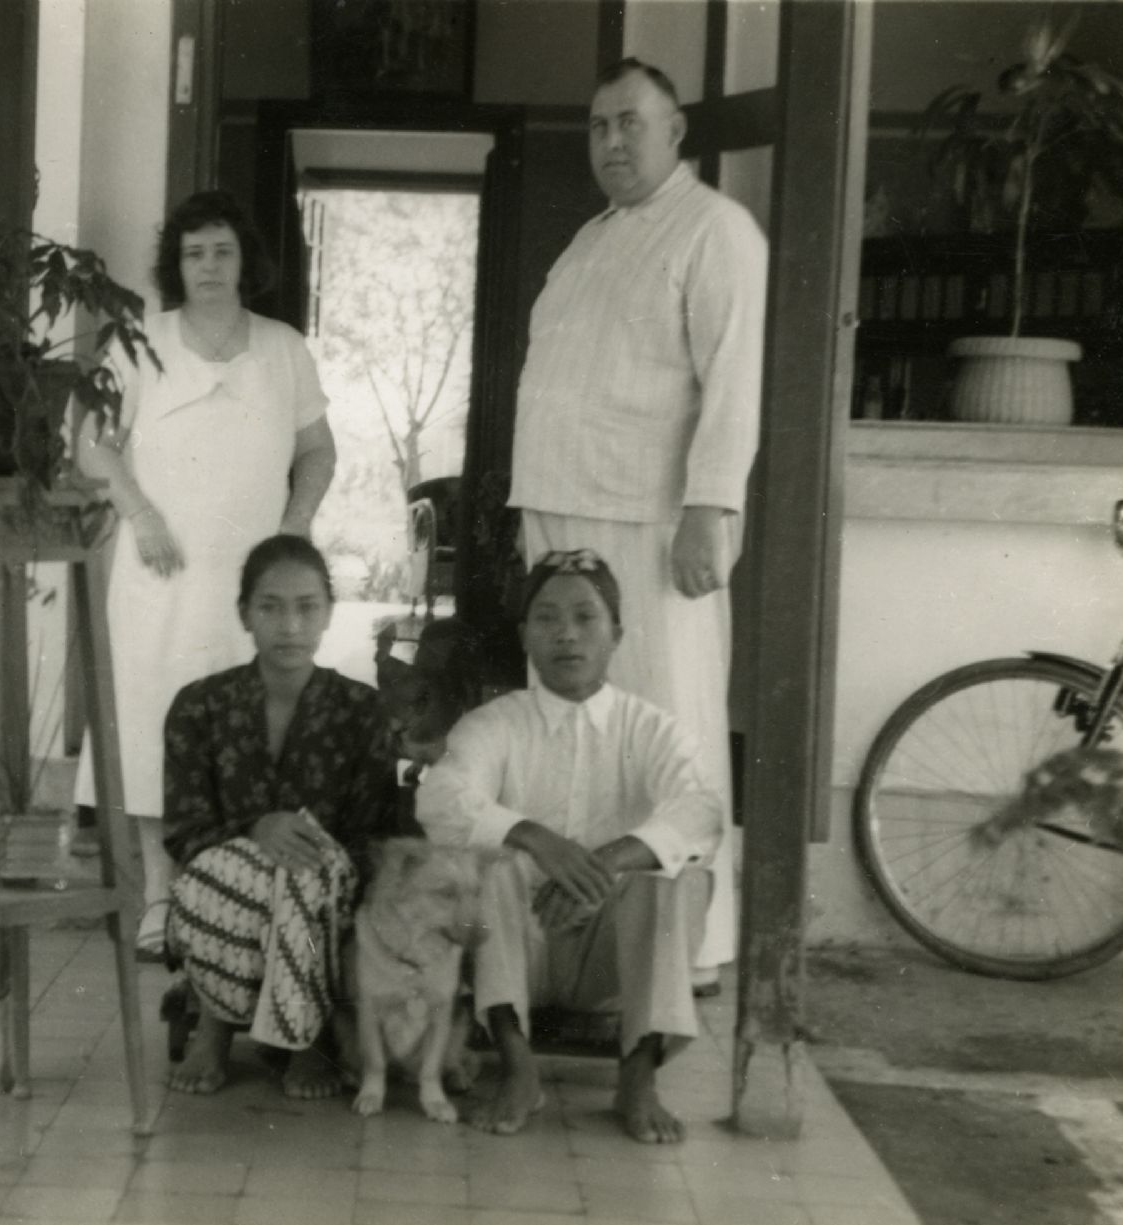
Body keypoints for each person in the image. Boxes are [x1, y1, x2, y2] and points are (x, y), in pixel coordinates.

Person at [507, 57, 767, 989]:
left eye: (631, 123)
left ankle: (692, 942)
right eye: (598, 126)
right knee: (573, 725)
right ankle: (588, 939)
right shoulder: (590, 238)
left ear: (676, 132)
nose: (612, 141)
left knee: (668, 714)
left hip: (654, 525)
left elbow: (734, 383)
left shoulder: (716, 230)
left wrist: (710, 507)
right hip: (561, 510)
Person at [74, 191, 339, 959]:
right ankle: (161, 898)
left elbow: (319, 450)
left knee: (250, 727)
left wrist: (293, 527)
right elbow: (94, 444)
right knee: (155, 719)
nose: (210, 266)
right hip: (161, 567)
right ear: (176, 265)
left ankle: (238, 894)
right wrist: (142, 515)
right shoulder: (138, 342)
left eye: (223, 251)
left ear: (245, 260)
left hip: (249, 578)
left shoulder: (283, 347)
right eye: (195, 254)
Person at [416, 550, 724, 1143]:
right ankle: (517, 1066)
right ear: (525, 636)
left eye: (586, 618)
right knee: (496, 867)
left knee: (677, 876)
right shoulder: (495, 723)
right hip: (516, 948)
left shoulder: (653, 729)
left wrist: (608, 862)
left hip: (609, 961)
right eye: (547, 619)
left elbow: (700, 811)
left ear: (617, 636)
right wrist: (533, 837)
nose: (567, 634)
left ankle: (638, 1076)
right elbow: (441, 797)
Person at [160, 536, 405, 1098]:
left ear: (327, 616)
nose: (289, 625)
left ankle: (303, 1038)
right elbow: (184, 832)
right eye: (270, 607)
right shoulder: (199, 706)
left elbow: (375, 836)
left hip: (326, 904)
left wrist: (310, 851)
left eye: (306, 607)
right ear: (245, 614)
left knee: (305, 870)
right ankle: (218, 1031)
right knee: (235, 871)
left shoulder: (360, 711)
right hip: (222, 898)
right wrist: (256, 829)